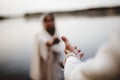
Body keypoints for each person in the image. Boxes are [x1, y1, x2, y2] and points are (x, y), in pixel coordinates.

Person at [30, 13, 64, 80]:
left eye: (51, 20)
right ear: (43, 23)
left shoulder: (55, 34)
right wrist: (52, 42)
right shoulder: (39, 35)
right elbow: (44, 41)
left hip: (54, 68)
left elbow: (57, 54)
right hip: (44, 68)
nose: (49, 23)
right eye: (46, 21)